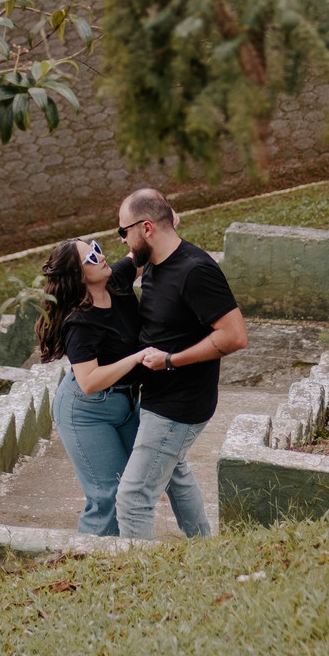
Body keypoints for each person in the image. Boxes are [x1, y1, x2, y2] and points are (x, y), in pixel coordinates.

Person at [114, 187, 248, 541]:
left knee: (132, 498)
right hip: (160, 397)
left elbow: (235, 336)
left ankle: (141, 585)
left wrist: (171, 360)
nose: (122, 242)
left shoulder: (195, 270)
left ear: (145, 229)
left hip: (179, 404)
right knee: (175, 472)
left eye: (122, 232)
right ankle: (204, 547)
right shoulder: (156, 262)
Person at [36, 236, 148, 536]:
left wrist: (159, 221)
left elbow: (138, 255)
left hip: (125, 402)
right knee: (107, 495)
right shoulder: (79, 322)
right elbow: (88, 381)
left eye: (97, 248)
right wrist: (137, 359)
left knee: (135, 486)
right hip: (86, 412)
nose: (100, 257)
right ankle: (91, 564)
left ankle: (128, 554)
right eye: (90, 257)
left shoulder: (117, 282)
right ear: (78, 275)